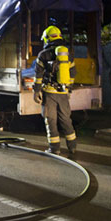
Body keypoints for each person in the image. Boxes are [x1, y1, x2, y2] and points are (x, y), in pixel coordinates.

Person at [33, 26, 77, 155]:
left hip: (49, 93)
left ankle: (54, 148)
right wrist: (68, 89)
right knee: (66, 119)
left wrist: (36, 92)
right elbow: (73, 72)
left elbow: (38, 76)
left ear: (47, 39)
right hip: (63, 93)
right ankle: (72, 146)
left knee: (50, 119)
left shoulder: (43, 54)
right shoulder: (68, 53)